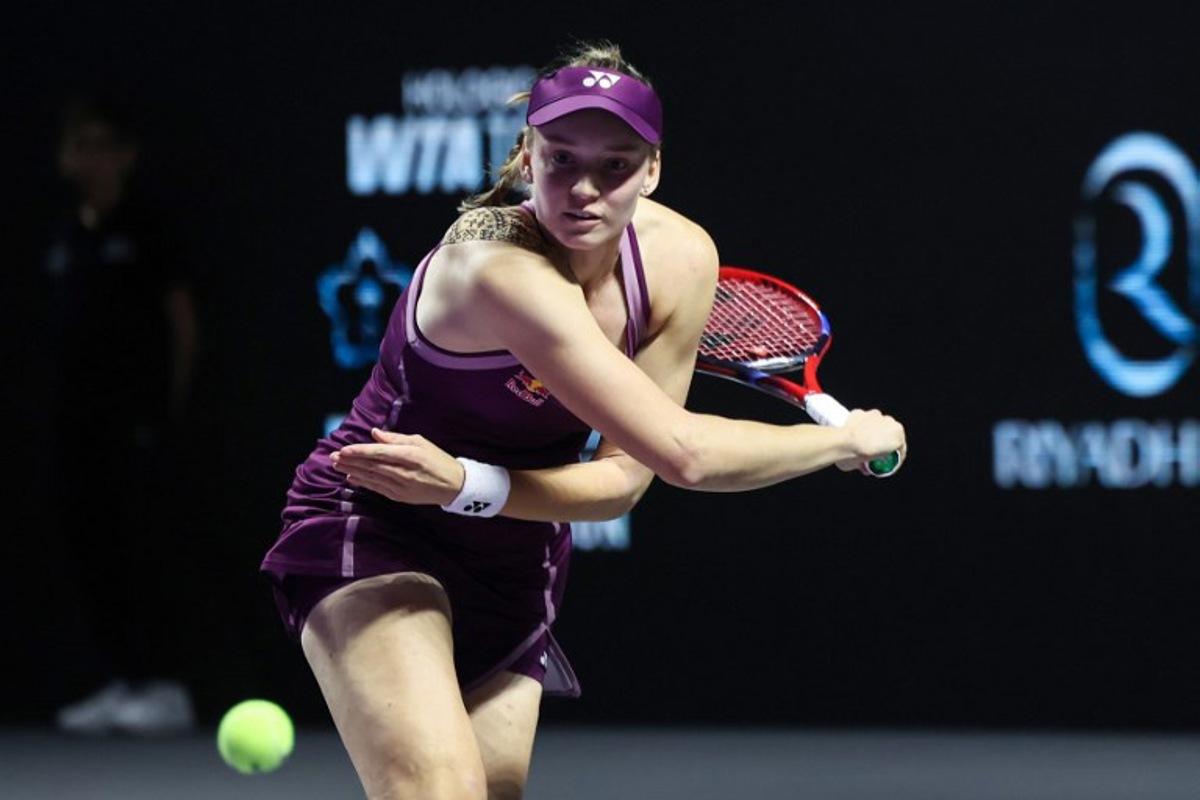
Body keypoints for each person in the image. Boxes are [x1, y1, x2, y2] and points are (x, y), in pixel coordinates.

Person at [262, 42, 905, 800]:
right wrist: (842, 441)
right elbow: (682, 454)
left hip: (513, 552)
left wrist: (470, 486)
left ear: (653, 169)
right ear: (528, 156)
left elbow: (625, 482)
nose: (584, 189)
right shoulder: (494, 266)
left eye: (616, 165)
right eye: (562, 158)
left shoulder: (681, 260)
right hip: (375, 519)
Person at [46, 97, 199, 735]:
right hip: (75, 423)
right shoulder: (63, 233)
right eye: (80, 144)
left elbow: (180, 319)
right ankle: (120, 680)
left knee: (143, 549)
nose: (91, 157)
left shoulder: (148, 226)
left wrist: (168, 405)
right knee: (94, 550)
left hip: (136, 420)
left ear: (126, 154)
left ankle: (163, 687)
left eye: (103, 144)